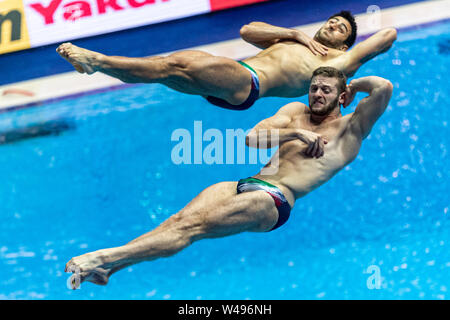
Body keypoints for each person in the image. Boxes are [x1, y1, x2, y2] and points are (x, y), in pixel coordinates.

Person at [65, 66, 393, 288]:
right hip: (244, 183)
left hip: (273, 200)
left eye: (325, 90)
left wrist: (351, 85)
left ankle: (102, 257)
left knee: (191, 229)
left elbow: (382, 87)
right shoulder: (295, 113)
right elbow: (253, 138)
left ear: (342, 97)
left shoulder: (351, 129)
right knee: (176, 222)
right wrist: (296, 135)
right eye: (313, 88)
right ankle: (111, 269)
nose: (317, 94)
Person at [56, 11, 396, 111]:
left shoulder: (343, 61)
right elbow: (248, 30)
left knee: (168, 67)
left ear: (346, 42)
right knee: (162, 70)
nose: (333, 25)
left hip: (249, 83)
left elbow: (389, 34)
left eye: (342, 29)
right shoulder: (294, 39)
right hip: (234, 77)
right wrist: (292, 33)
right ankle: (95, 65)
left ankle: (96, 60)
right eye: (332, 21)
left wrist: (356, 50)